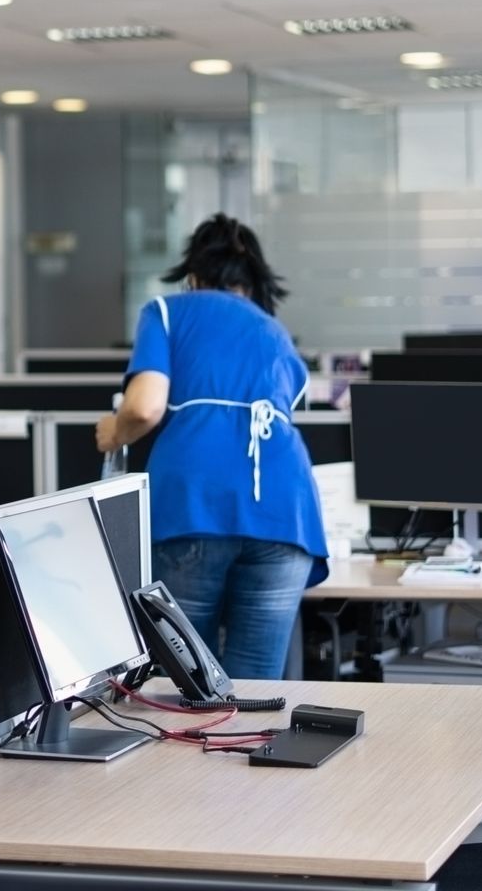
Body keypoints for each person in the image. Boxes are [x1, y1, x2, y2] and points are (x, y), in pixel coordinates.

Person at [95, 214, 326, 679]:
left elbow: (144, 408)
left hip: (196, 504)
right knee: (253, 687)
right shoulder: (274, 333)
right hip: (286, 514)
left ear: (193, 275)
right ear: (255, 281)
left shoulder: (166, 313)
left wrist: (113, 433)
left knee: (184, 684)